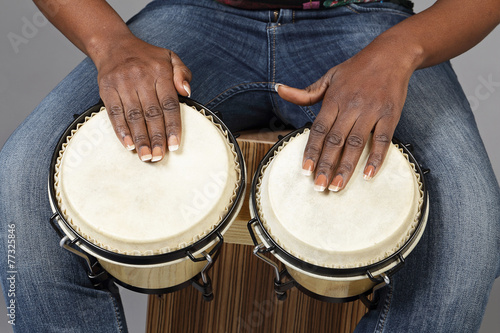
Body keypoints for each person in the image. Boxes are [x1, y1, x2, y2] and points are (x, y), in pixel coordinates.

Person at [1, 0, 499, 331]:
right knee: (22, 178)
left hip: (371, 21)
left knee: (469, 225)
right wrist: (110, 43)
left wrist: (399, 51)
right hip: (197, 15)